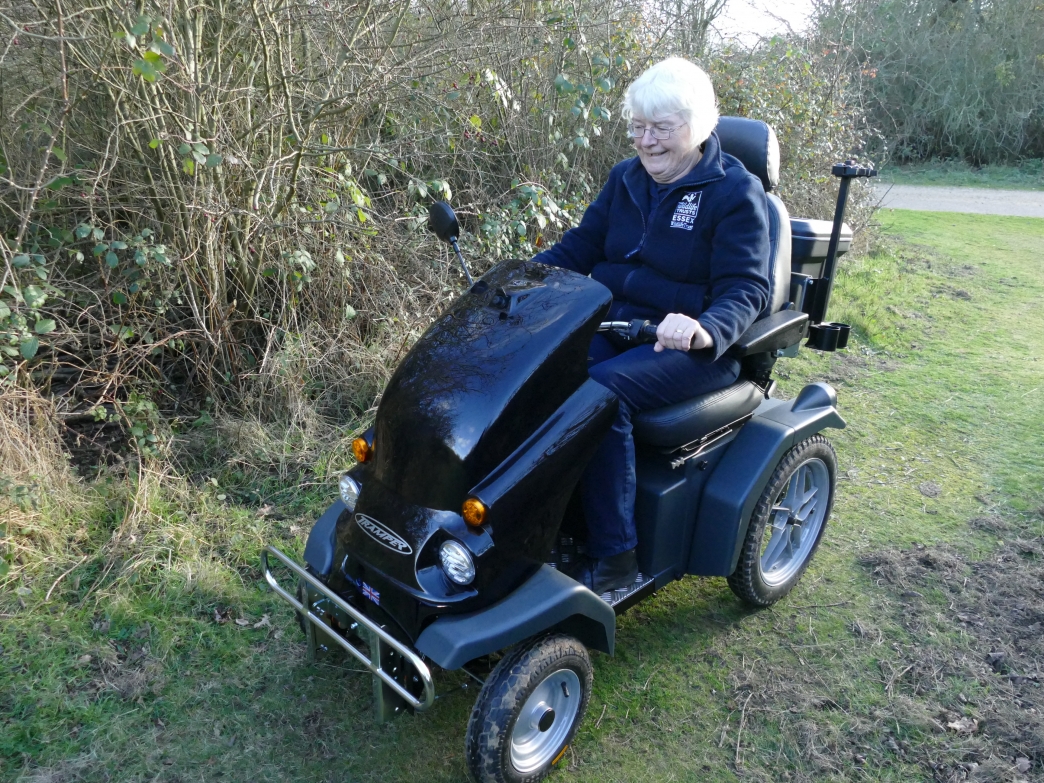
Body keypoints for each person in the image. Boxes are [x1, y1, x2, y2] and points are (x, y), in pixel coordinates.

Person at [532, 57, 771, 594]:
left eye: (661, 128)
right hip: (617, 325)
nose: (646, 140)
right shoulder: (626, 178)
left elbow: (747, 289)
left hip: (692, 350)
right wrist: (521, 280)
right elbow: (581, 246)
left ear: (701, 126)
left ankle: (616, 556)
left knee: (599, 396)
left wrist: (705, 327)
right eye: (638, 126)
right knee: (533, 373)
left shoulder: (735, 192)